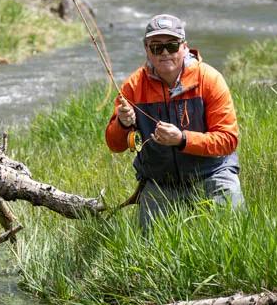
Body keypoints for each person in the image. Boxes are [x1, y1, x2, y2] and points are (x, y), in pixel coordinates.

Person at [105, 13, 244, 228]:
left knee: (233, 234)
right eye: (156, 47)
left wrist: (182, 139)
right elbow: (114, 145)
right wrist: (123, 124)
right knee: (148, 251)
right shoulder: (133, 87)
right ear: (147, 50)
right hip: (161, 183)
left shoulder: (209, 79)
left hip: (213, 174)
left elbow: (228, 140)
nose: (164, 53)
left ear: (184, 47)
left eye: (171, 45)